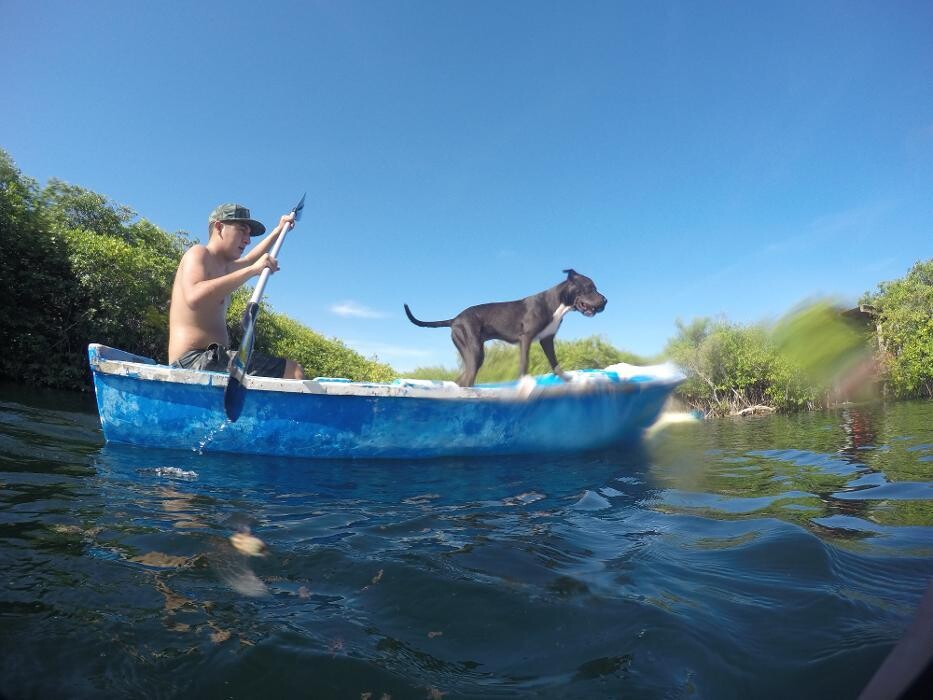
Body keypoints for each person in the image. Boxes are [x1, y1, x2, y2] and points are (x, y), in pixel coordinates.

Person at [168, 202, 305, 379]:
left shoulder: (224, 267)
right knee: (292, 372)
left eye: (249, 235)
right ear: (219, 227)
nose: (247, 240)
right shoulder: (199, 253)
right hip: (192, 361)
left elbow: (250, 259)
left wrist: (278, 231)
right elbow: (195, 296)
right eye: (242, 230)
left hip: (212, 358)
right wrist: (252, 270)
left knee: (291, 371)